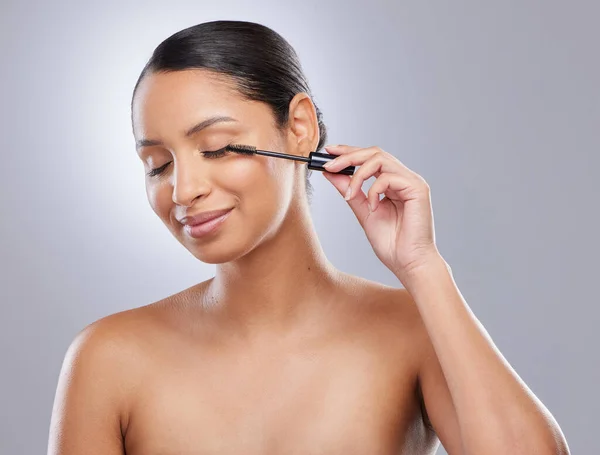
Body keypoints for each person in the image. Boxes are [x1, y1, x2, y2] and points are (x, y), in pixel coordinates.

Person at [47, 20, 569, 455]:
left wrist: (423, 268)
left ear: (299, 128)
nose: (184, 190)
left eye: (218, 147)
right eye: (158, 165)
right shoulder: (109, 358)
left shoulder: (412, 332)